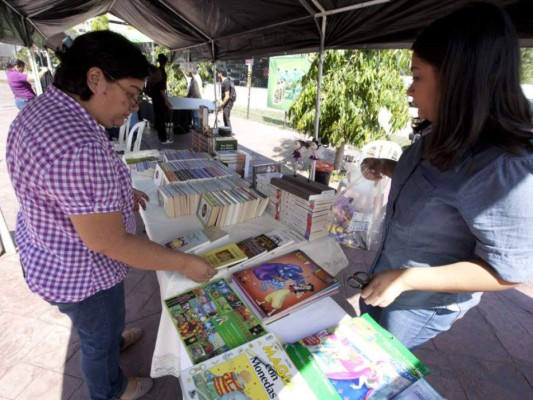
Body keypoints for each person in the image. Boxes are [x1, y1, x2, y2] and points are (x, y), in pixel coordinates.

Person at [6, 31, 216, 400]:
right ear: (95, 78)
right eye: (132, 93)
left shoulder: (43, 109)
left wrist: (119, 193)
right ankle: (112, 388)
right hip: (82, 274)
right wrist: (183, 264)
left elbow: (62, 192)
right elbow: (109, 241)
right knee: (96, 339)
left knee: (101, 329)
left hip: (46, 255)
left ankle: (111, 339)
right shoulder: (80, 148)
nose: (135, 106)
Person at [359, 2, 533, 350]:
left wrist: (409, 279)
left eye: (418, 76)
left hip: (418, 303)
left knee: (380, 362)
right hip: (388, 278)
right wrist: (384, 166)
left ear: (457, 81)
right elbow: (433, 185)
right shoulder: (446, 129)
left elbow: (509, 271)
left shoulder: (501, 167)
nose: (410, 89)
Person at [148, 53, 173, 144]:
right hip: (160, 99)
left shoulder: (155, 72)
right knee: (162, 119)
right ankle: (163, 138)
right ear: (165, 63)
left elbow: (150, 86)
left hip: (155, 98)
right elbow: (162, 89)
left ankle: (160, 137)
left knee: (158, 118)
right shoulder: (162, 73)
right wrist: (166, 101)